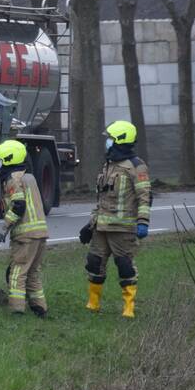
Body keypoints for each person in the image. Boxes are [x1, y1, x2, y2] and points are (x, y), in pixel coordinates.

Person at [78, 120, 151, 318]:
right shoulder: (109, 164)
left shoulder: (136, 166)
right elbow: (102, 199)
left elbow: (144, 197)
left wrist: (143, 222)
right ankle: (93, 304)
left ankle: (128, 308)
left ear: (120, 140)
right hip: (101, 228)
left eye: (110, 138)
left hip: (123, 229)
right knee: (94, 263)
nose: (107, 142)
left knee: (125, 266)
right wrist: (90, 224)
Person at [0, 139, 49, 317]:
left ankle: (17, 311)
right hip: (40, 233)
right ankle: (40, 309)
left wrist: (5, 227)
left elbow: (18, 205)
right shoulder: (29, 177)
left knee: (17, 273)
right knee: (32, 272)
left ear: (9, 159)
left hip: (25, 235)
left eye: (1, 159)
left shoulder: (12, 179)